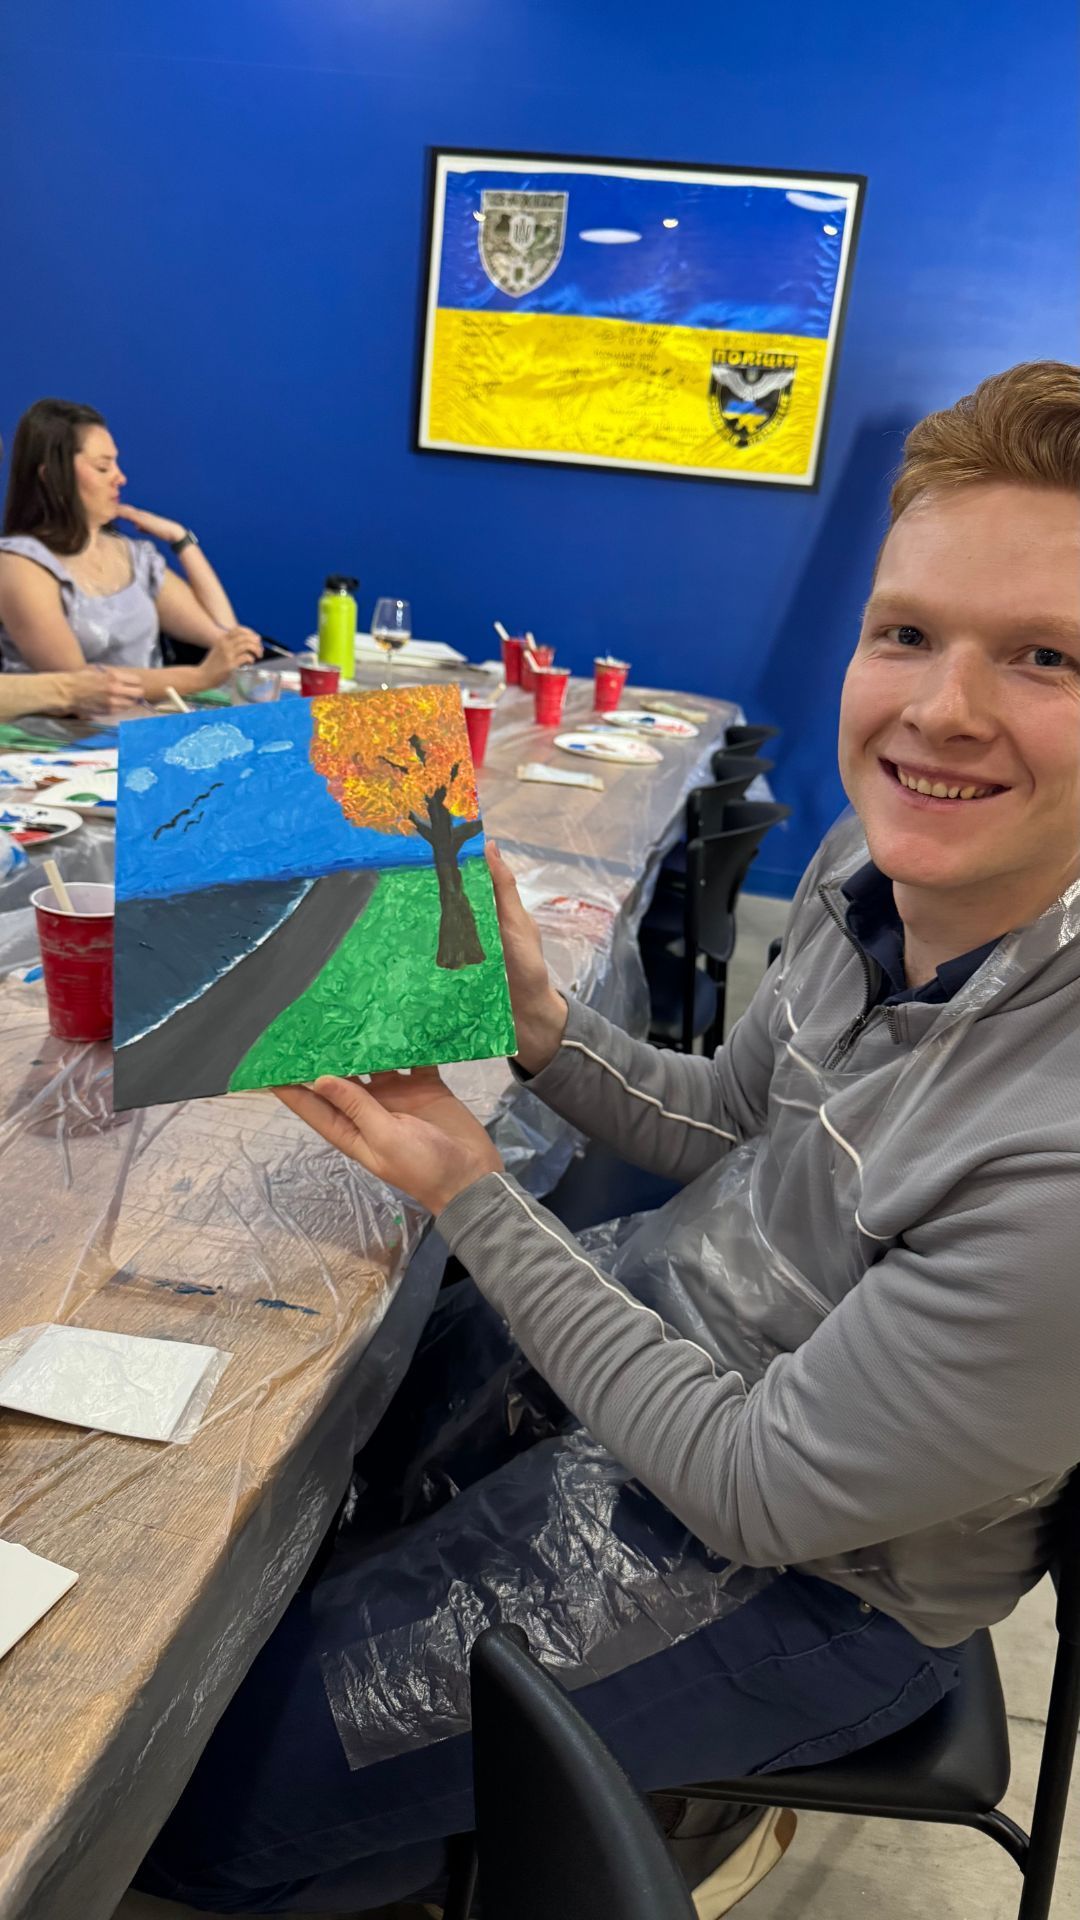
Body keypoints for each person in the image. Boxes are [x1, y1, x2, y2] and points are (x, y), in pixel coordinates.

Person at [138, 361, 1080, 1918]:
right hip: (671, 1338)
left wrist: (474, 1188)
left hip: (807, 1575)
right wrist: (541, 1031)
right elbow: (730, 1121)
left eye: (1045, 655)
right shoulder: (880, 863)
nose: (940, 709)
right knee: (292, 1501)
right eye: (907, 631)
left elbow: (760, 1492)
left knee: (194, 1794)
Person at [0, 397, 262, 701]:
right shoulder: (20, 564)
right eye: (103, 467)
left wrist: (181, 540)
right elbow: (81, 688)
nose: (120, 478)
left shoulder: (133, 555)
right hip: (67, 741)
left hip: (143, 725)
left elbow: (225, 636)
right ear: (52, 478)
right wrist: (198, 677)